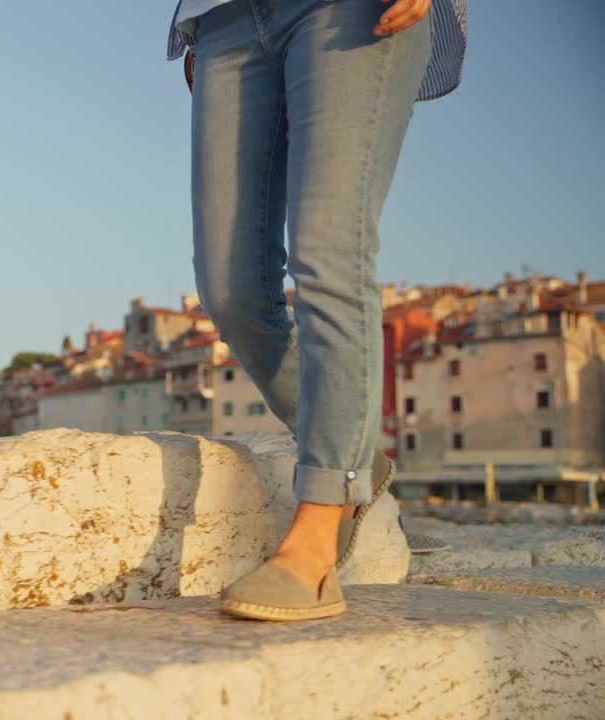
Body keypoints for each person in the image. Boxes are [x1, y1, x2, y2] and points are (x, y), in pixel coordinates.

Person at [168, 0, 466, 621]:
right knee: (230, 290)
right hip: (224, 18)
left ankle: (317, 543)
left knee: (330, 253)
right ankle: (352, 450)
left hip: (349, 11)